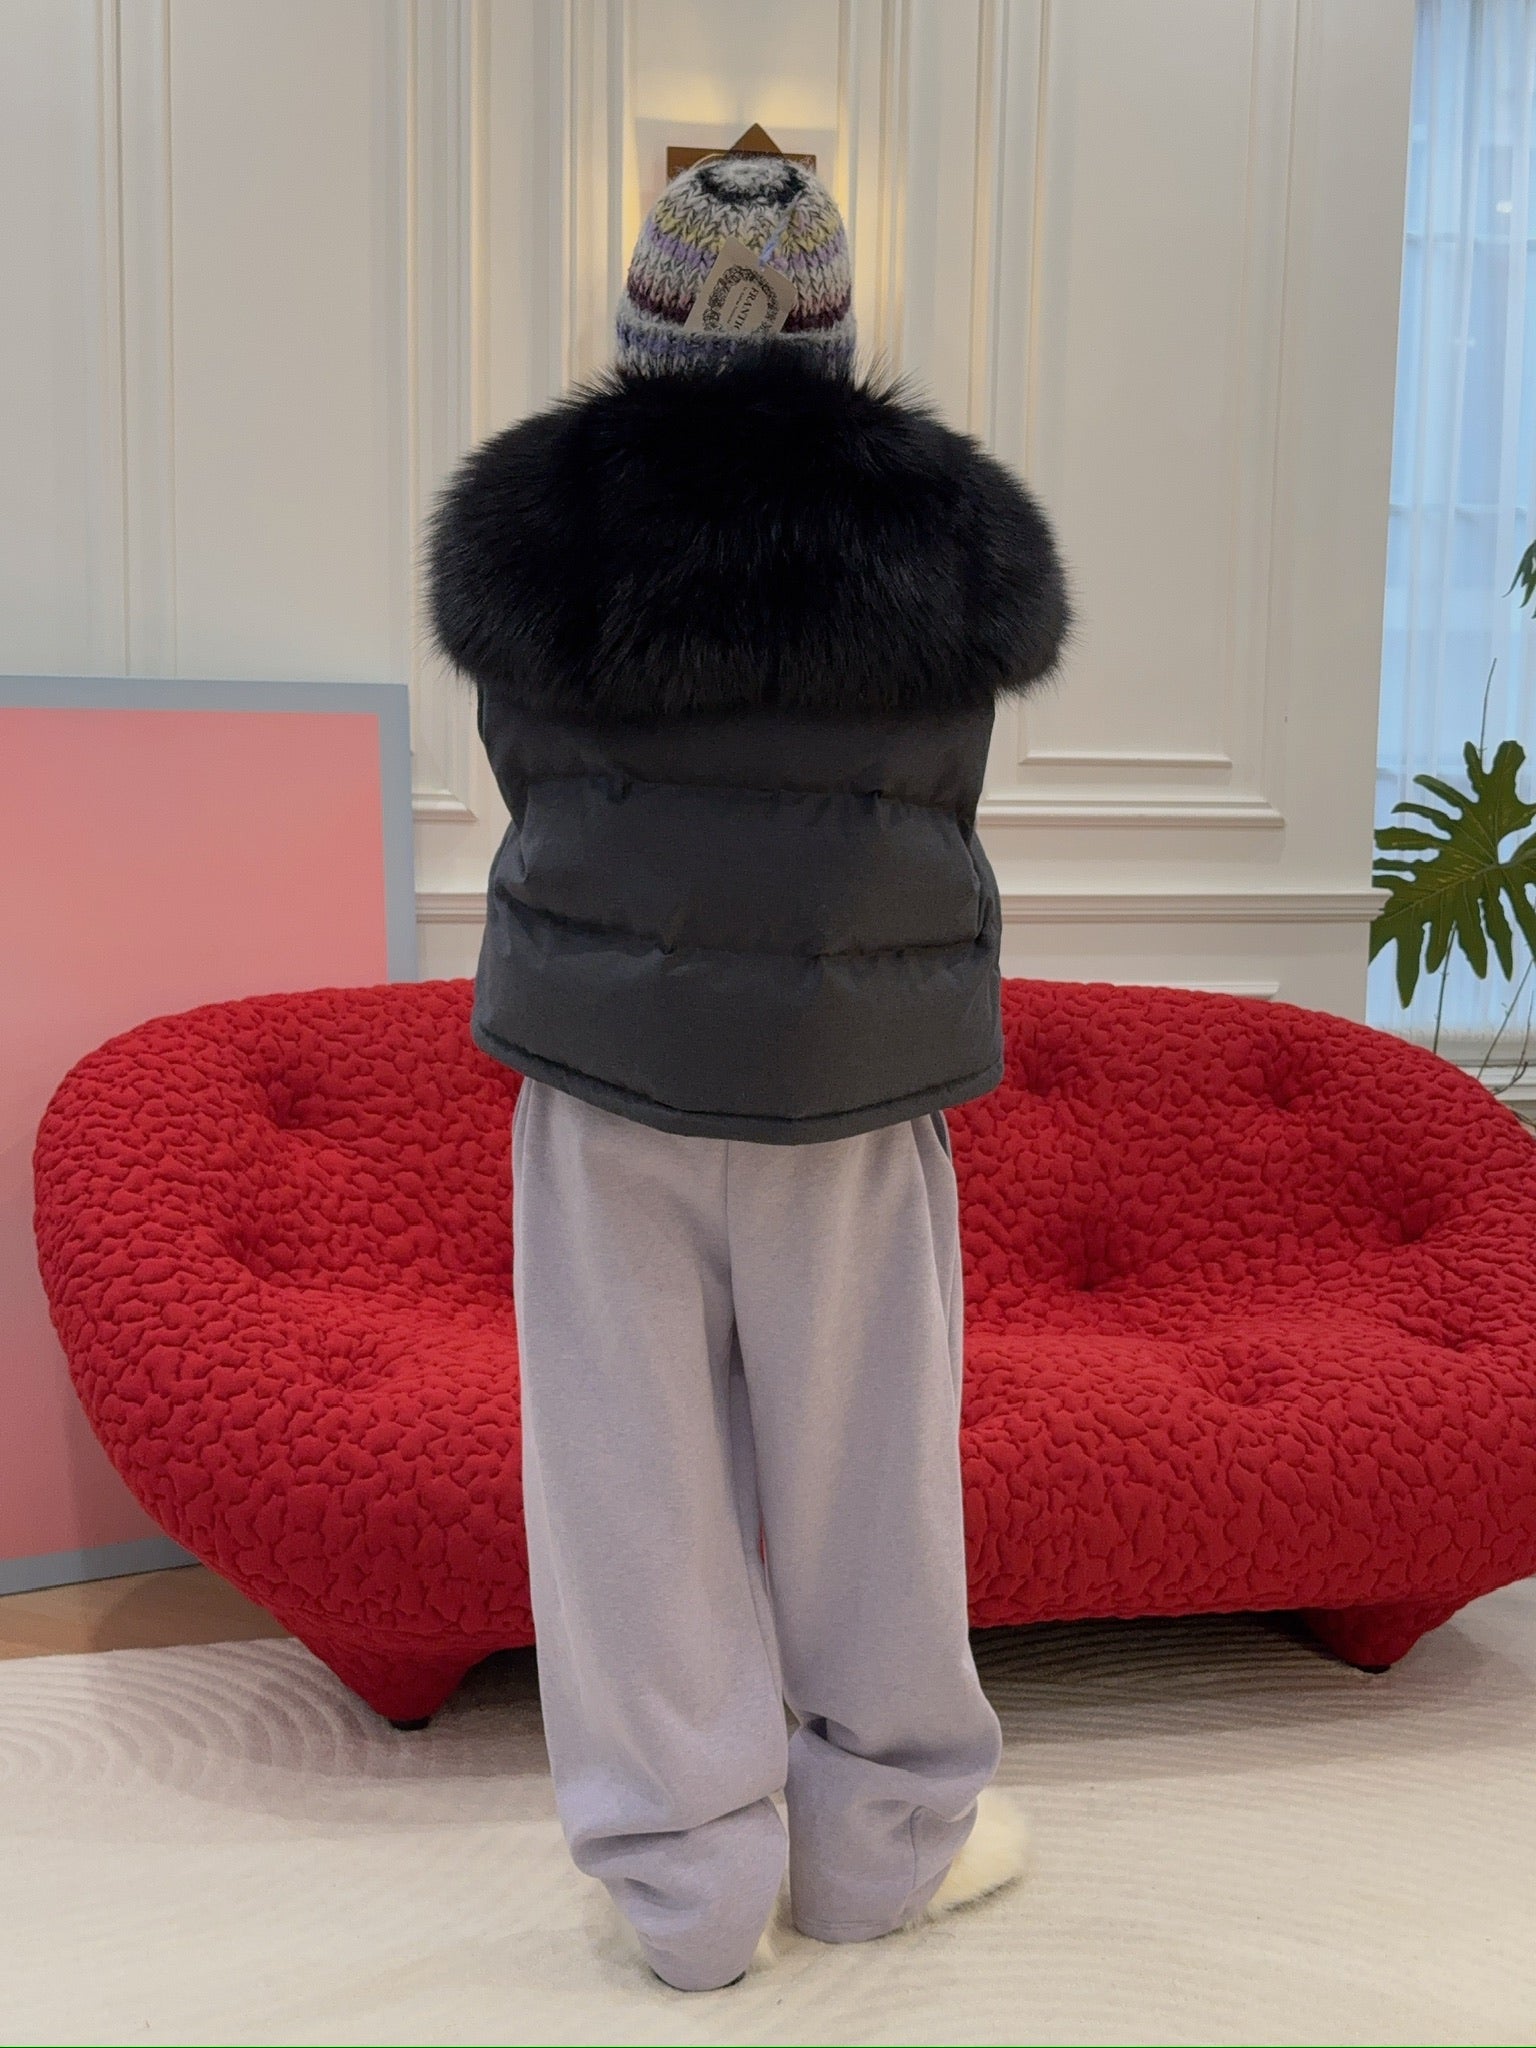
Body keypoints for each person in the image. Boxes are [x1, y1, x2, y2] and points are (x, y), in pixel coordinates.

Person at [427, 151, 1070, 1994]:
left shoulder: (543, 532)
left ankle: (690, 1894)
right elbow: (935, 801)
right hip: (855, 1081)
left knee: (626, 1488)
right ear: (833, 334)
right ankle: (878, 1854)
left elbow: (539, 784)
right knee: (875, 1481)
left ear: (644, 322)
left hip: (602, 1072)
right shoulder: (947, 541)